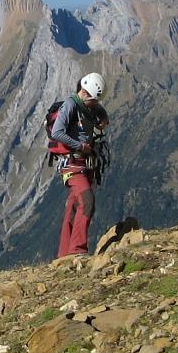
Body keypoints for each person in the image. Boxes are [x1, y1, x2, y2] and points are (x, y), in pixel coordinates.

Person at [50, 71, 108, 257]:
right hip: (72, 164)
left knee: (74, 208)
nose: (96, 104)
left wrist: (103, 117)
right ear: (86, 94)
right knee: (87, 202)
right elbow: (57, 133)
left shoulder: (86, 106)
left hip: (83, 164)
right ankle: (77, 251)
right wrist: (80, 146)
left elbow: (97, 108)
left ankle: (64, 255)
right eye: (95, 100)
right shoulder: (70, 105)